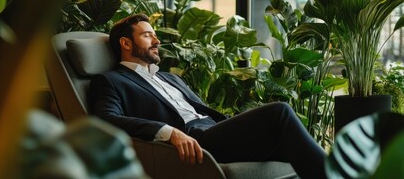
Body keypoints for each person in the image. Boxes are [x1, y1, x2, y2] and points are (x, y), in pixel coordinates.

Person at [89, 14, 327, 178]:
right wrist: (168, 132)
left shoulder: (171, 78)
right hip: (195, 140)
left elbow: (201, 108)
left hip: (214, 130)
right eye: (148, 36)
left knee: (289, 147)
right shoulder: (112, 80)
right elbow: (105, 120)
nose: (157, 40)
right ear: (126, 43)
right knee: (279, 112)